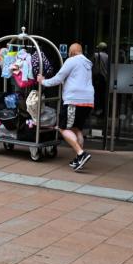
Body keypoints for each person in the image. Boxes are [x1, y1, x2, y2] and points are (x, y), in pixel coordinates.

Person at [38, 42, 94, 171]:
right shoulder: (87, 63)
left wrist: (43, 81)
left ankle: (81, 153)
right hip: (88, 101)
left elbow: (58, 78)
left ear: (71, 52)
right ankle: (79, 159)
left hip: (74, 100)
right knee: (76, 128)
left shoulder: (72, 60)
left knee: (63, 128)